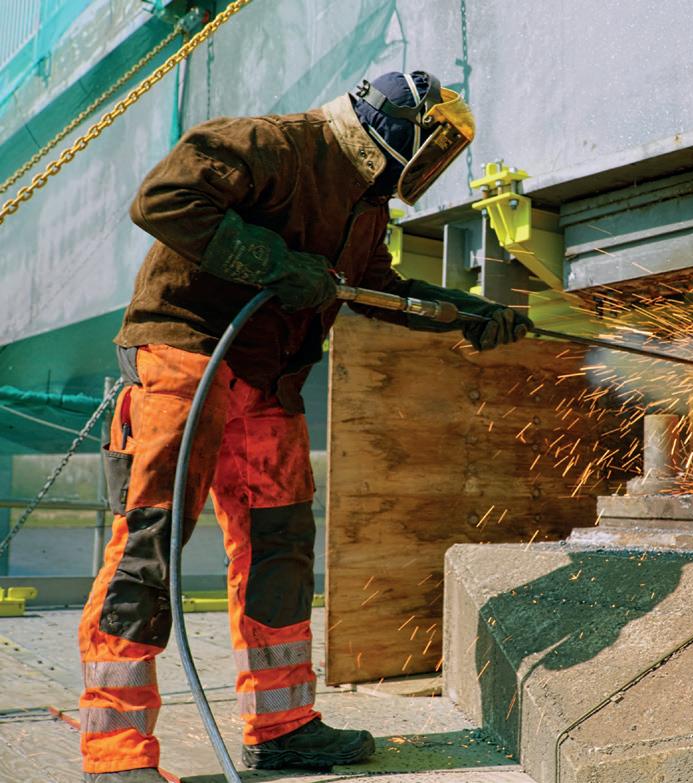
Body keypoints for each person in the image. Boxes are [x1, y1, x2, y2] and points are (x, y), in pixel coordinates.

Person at [79, 70, 531, 782]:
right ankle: (115, 755)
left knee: (280, 548)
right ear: (394, 129)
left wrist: (463, 312)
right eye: (432, 147)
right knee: (150, 545)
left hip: (268, 380)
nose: (430, 165)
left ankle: (282, 726)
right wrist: (271, 263)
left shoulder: (367, 207)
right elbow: (163, 200)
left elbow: (374, 288)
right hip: (187, 352)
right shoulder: (275, 144)